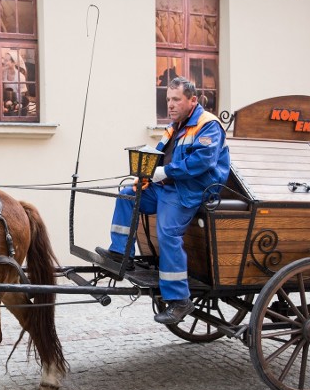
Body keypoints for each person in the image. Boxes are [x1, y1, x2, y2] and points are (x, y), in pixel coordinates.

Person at [96, 76, 230, 325]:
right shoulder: (174, 126)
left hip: (191, 190)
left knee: (167, 232)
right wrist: (146, 176)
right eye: (168, 99)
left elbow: (203, 163)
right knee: (128, 195)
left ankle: (180, 300)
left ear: (192, 100)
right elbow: (159, 156)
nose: (170, 104)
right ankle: (120, 253)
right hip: (167, 186)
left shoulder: (207, 125)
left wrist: (165, 173)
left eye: (176, 99)